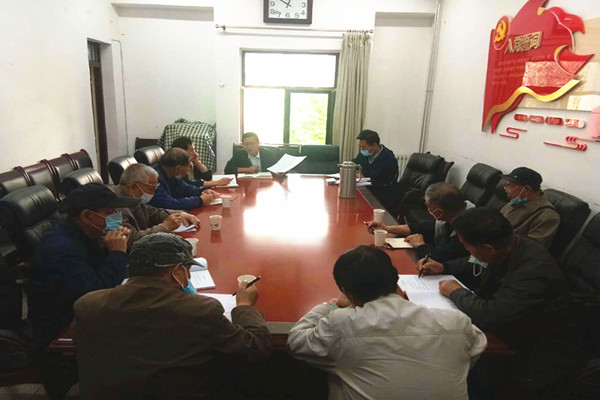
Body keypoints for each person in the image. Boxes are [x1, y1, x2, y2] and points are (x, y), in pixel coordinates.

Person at [74, 233, 272, 399]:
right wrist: (245, 306)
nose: (189, 276)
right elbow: (255, 348)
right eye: (187, 270)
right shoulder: (200, 310)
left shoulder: (87, 305)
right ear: (178, 271)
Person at [418, 208, 586, 395]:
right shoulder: (508, 246)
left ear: (488, 249)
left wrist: (455, 292)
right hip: (512, 328)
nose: (467, 250)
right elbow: (474, 261)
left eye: (466, 246)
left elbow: (489, 315)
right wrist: (444, 266)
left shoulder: (533, 272)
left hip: (533, 351)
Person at [287, 245, 487, 400]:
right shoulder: (456, 322)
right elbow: (476, 346)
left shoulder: (341, 324)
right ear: (395, 280)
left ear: (346, 292)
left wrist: (328, 306)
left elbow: (296, 341)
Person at [28, 183, 138, 396]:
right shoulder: (60, 250)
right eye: (110, 212)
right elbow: (96, 294)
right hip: (64, 324)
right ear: (87, 216)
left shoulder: (86, 234)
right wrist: (117, 253)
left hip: (87, 308)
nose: (117, 217)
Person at [367, 183, 472, 261]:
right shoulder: (453, 215)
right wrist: (387, 228)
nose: (427, 209)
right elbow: (426, 227)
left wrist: (420, 245)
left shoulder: (466, 228)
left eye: (428, 207)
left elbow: (440, 257)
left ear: (439, 213)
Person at [116, 163, 201, 247]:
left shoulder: (133, 198)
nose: (153, 193)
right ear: (133, 187)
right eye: (151, 189)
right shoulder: (114, 207)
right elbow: (129, 239)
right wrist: (164, 227)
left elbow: (155, 213)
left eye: (155, 188)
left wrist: (179, 215)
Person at [500, 167, 560, 249]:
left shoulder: (547, 216)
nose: (505, 189)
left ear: (527, 189)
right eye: (506, 185)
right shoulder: (516, 201)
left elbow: (531, 249)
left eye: (510, 185)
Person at [150, 148, 220, 210]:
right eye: (188, 166)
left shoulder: (172, 173)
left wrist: (202, 191)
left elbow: (186, 189)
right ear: (178, 168)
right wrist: (200, 200)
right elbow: (169, 203)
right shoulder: (153, 178)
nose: (189, 169)